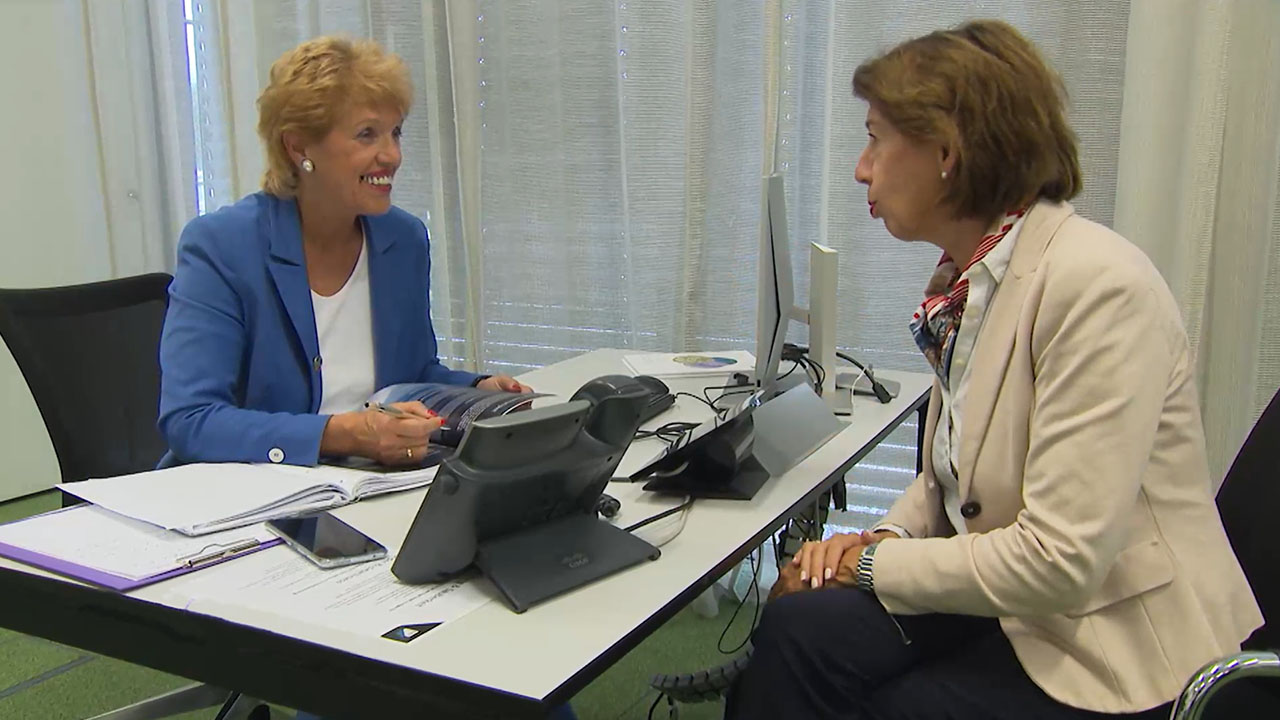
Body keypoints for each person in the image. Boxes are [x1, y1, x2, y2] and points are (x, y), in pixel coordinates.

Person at [726, 19, 1261, 720]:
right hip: (1024, 608)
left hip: (1108, 642)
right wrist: (880, 540)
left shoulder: (1098, 288)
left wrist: (865, 565)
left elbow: (1060, 562)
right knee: (797, 632)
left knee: (878, 699)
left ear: (947, 151)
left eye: (876, 138)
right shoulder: (974, 280)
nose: (861, 168)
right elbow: (953, 479)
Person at [158, 36, 529, 470]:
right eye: (367, 134)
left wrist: (475, 391)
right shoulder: (222, 246)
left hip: (369, 483)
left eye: (395, 132)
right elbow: (191, 420)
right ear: (299, 147)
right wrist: (343, 434)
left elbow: (411, 376)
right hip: (253, 492)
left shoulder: (403, 240)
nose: (392, 155)